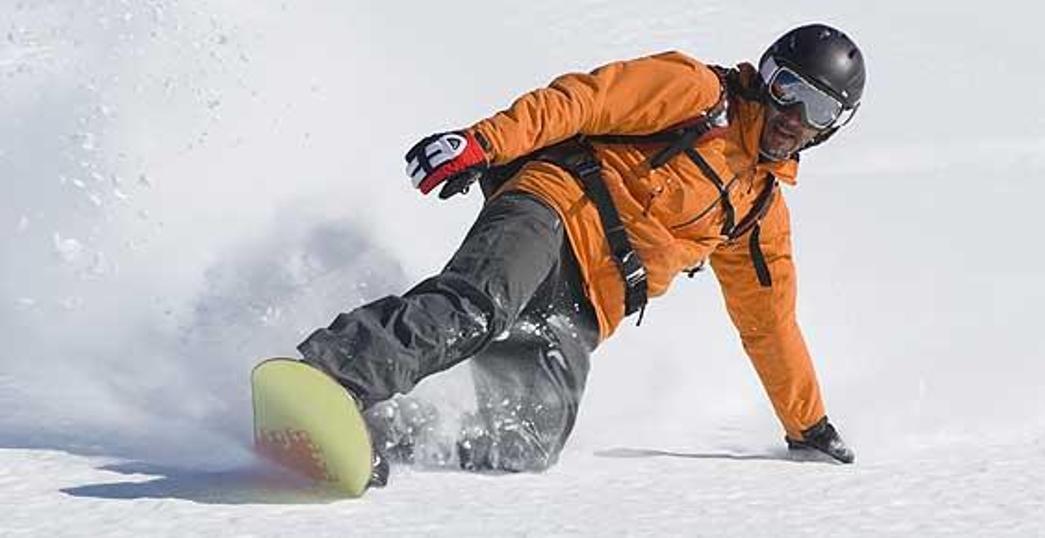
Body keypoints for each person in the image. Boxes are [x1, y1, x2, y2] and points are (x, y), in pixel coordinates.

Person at [298, 23, 866, 486]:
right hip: (554, 210)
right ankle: (332, 377)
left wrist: (808, 425)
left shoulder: (757, 211)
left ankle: (379, 425)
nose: (795, 116)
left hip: (590, 303)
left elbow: (769, 325)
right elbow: (582, 102)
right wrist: (483, 142)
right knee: (478, 306)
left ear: (831, 128)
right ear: (767, 77)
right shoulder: (697, 93)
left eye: (819, 108)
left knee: (528, 438)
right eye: (790, 89)